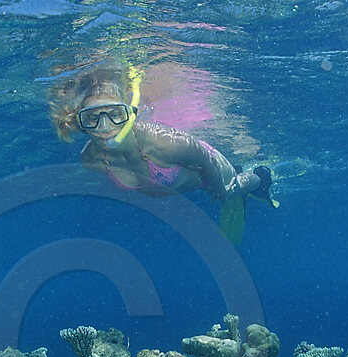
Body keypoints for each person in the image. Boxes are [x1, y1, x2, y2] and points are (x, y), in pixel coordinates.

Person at [49, 64, 275, 242]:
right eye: (92, 117)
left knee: (227, 192)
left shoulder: (161, 143)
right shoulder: (90, 159)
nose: (104, 127)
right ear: (81, 122)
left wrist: (217, 184)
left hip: (207, 167)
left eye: (115, 114)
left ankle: (260, 177)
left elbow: (202, 156)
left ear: (130, 113)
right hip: (182, 182)